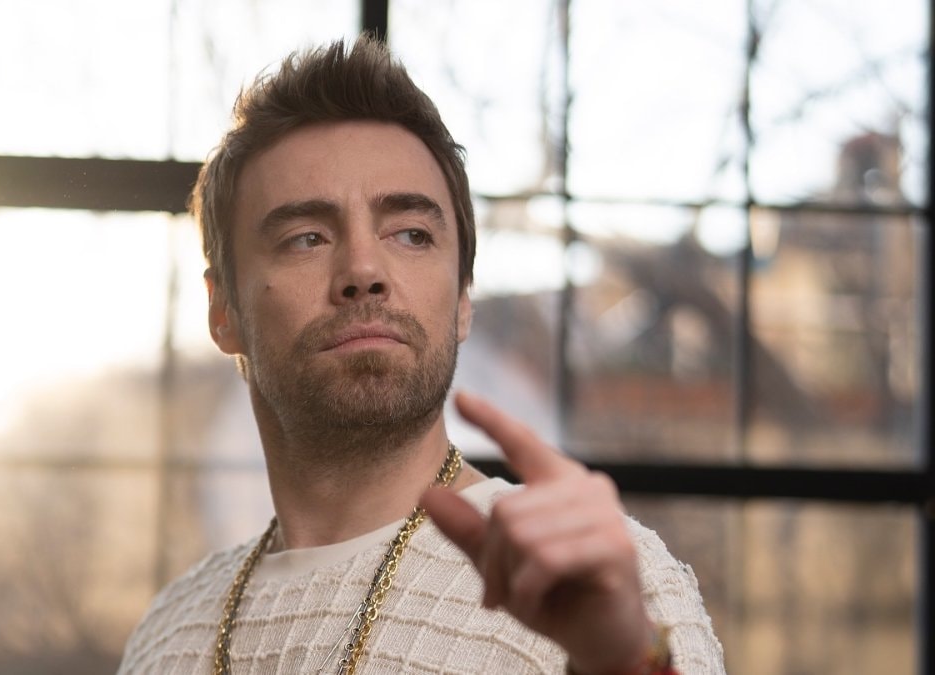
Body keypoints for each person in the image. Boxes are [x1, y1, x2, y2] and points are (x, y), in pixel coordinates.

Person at [119, 36, 725, 674]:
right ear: (223, 311)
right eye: (306, 238)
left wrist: (626, 663)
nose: (363, 270)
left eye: (411, 234)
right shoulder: (166, 635)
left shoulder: (604, 587)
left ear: (462, 299)